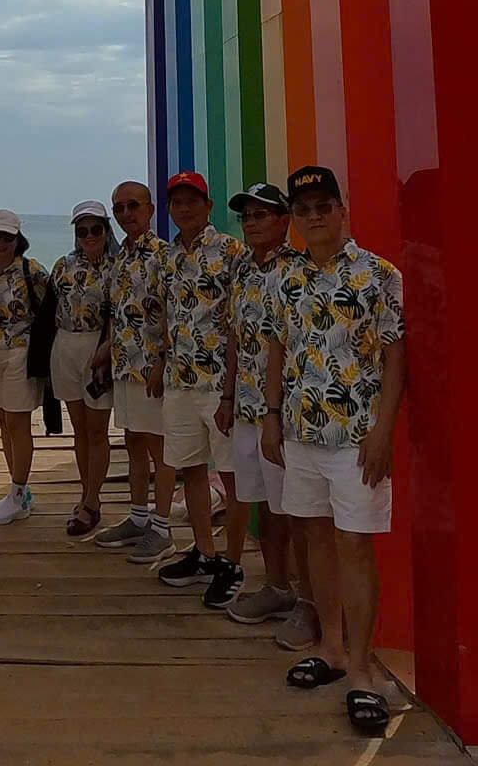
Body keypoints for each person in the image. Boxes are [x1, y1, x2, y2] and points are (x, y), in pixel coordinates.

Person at [261, 165, 406, 736]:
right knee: (315, 540)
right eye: (304, 209)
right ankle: (332, 647)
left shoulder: (379, 275)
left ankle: (363, 669)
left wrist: (384, 431)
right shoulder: (285, 279)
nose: (315, 216)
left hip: (356, 438)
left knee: (354, 546)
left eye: (324, 206)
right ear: (294, 219)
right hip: (300, 433)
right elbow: (276, 349)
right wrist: (270, 416)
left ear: (342, 211)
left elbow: (395, 356)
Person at [221, 181, 314, 644]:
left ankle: (309, 603)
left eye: (262, 214)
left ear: (284, 220)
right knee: (265, 506)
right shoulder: (242, 268)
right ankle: (277, 587)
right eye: (246, 216)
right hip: (245, 408)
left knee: (298, 511)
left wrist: (276, 412)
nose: (252, 223)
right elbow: (235, 337)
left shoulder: (299, 271)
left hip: (285, 414)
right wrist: (226, 396)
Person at [153, 172, 245, 608]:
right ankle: (205, 552)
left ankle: (233, 563)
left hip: (220, 384)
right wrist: (160, 363)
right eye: (177, 202)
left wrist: (231, 390)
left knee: (231, 476)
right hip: (179, 380)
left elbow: (241, 324)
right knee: (189, 468)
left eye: (193, 200)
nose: (184, 208)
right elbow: (167, 315)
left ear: (208, 206)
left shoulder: (231, 252)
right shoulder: (168, 257)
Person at [91, 180, 173, 563]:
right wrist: (106, 349)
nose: (126, 214)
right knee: (133, 444)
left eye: (133, 206)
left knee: (160, 450)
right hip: (124, 367)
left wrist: (162, 363)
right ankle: (138, 517)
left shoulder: (163, 256)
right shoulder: (120, 257)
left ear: (150, 210)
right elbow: (119, 312)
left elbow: (173, 314)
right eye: (119, 208)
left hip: (151, 370)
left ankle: (162, 528)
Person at [0, 209, 48, 525]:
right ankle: (19, 490)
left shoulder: (33, 271)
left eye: (7, 237)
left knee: (18, 423)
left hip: (21, 353)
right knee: (3, 421)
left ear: (18, 239)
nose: (1, 243)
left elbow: (50, 311)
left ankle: (17, 494)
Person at [48, 199, 117, 538]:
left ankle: (91, 501)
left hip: (97, 347)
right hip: (65, 345)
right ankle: (86, 494)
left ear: (106, 230)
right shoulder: (63, 265)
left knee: (97, 430)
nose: (89, 236)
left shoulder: (117, 267)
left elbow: (121, 312)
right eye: (82, 230)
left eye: (95, 229)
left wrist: (108, 346)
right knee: (79, 428)